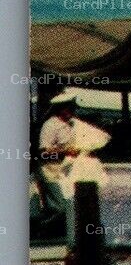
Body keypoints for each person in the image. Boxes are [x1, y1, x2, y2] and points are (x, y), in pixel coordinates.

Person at [34, 91, 110, 242]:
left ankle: (63, 234)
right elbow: (44, 153)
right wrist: (65, 152)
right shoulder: (50, 126)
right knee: (60, 207)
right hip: (51, 171)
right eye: (68, 108)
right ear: (60, 109)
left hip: (66, 171)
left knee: (71, 203)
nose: (71, 112)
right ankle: (40, 229)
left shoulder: (72, 124)